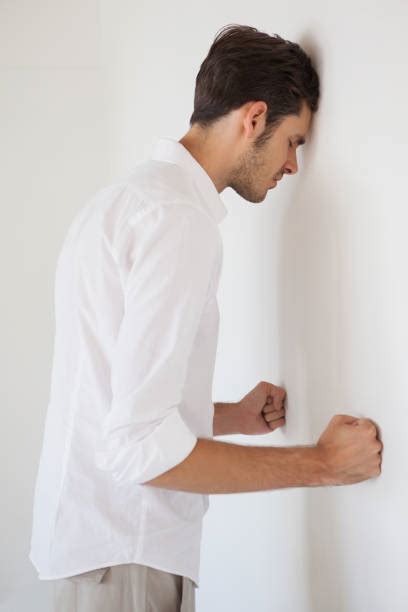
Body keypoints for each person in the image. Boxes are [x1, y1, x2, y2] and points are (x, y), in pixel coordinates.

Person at [29, 23, 383, 612]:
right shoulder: (177, 221)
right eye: (293, 140)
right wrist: (322, 464)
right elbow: (136, 444)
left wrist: (231, 416)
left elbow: (109, 400)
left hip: (95, 555)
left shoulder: (122, 203)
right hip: (128, 557)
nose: (293, 165)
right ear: (253, 117)